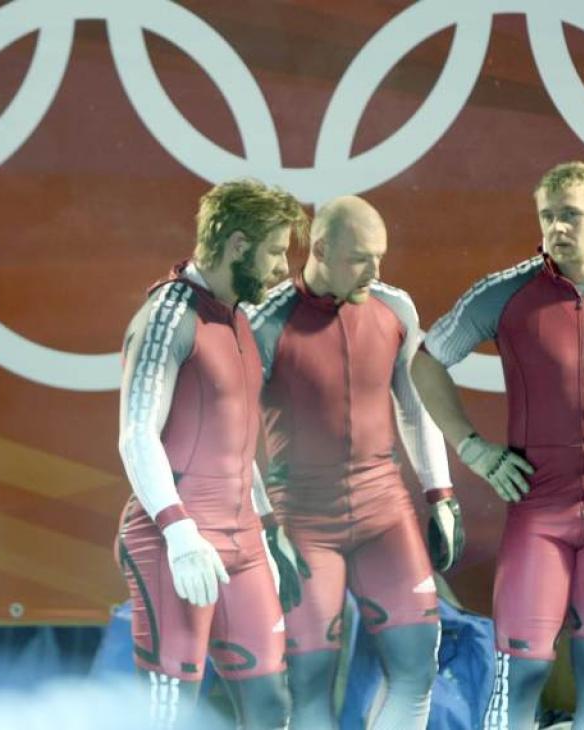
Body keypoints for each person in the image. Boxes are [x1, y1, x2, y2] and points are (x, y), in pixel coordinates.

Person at [411, 162, 584, 729]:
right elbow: (426, 361)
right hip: (538, 513)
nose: (557, 228)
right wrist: (474, 450)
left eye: (571, 215)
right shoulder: (508, 292)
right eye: (548, 216)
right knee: (518, 680)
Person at [247, 195, 459, 730]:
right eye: (361, 258)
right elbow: (229, 442)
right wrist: (265, 527)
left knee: (417, 666)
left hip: (383, 512)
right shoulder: (261, 324)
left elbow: (415, 407)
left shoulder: (395, 309)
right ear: (318, 249)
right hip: (302, 523)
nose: (375, 270)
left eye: (380, 257)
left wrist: (441, 493)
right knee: (307, 686)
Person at [115, 179, 309, 729]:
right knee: (169, 713)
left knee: (269, 706)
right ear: (239, 244)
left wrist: (270, 531)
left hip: (242, 540)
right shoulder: (168, 315)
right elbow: (135, 434)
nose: (280, 270)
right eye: (275, 251)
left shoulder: (237, 318)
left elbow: (235, 443)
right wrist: (178, 532)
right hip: (173, 542)